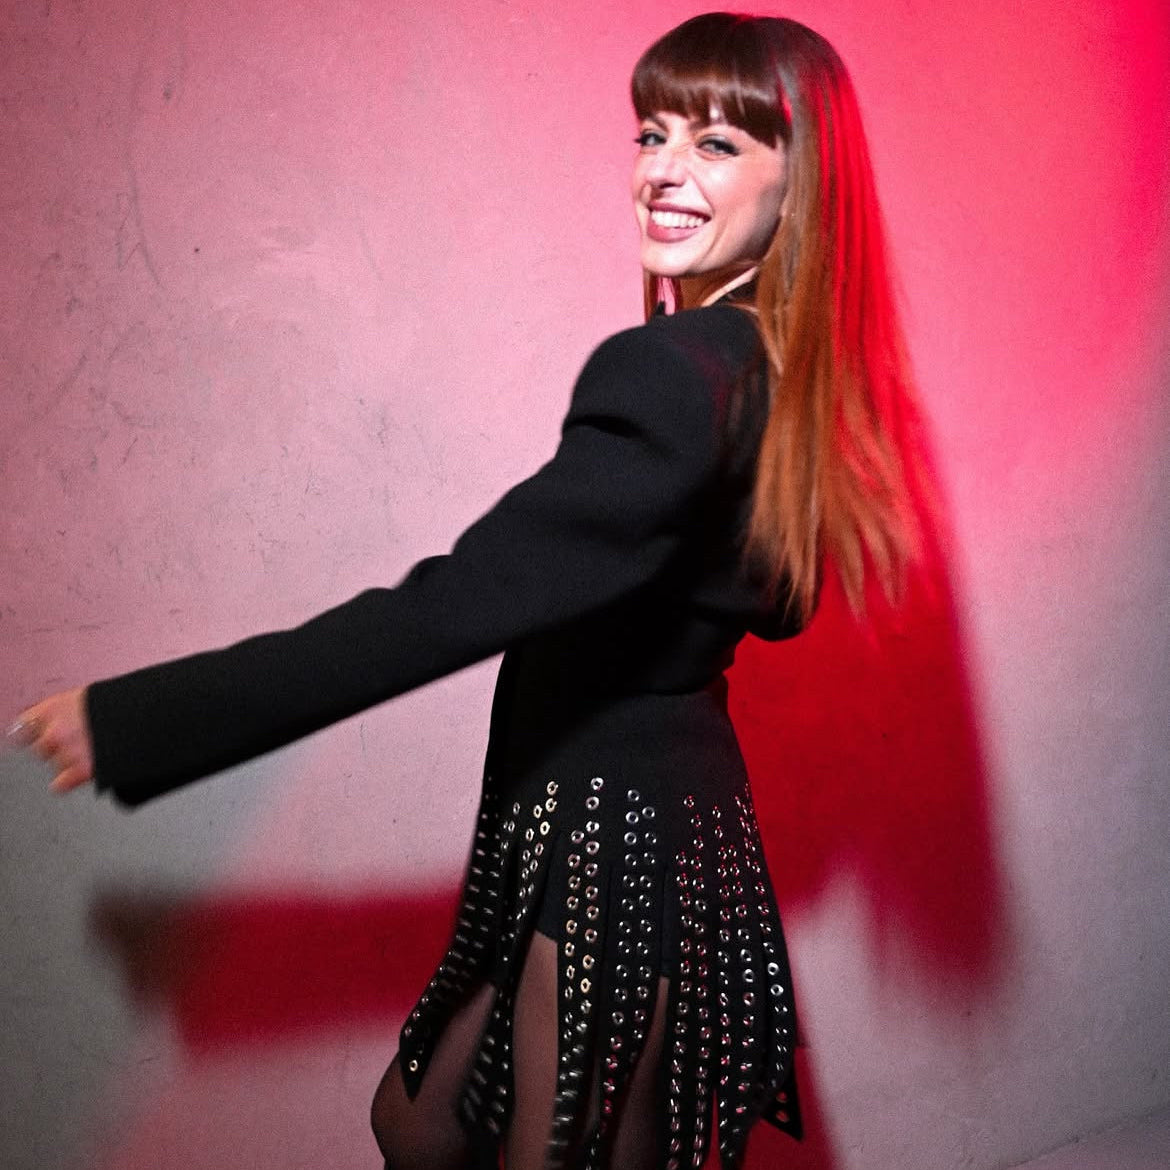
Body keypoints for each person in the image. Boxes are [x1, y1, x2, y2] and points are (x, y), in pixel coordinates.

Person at [8, 13, 924, 1170]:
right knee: (437, 1123)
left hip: (607, 831)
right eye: (653, 134)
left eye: (721, 145)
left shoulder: (669, 376)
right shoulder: (780, 374)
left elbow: (445, 608)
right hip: (670, 812)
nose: (664, 172)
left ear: (803, 185)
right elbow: (768, 607)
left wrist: (140, 719)